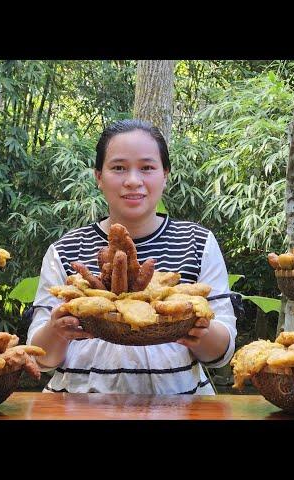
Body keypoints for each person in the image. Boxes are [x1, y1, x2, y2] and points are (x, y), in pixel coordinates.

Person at [27, 119, 237, 394]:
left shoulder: (197, 242)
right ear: (98, 177)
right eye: (118, 168)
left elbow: (222, 353)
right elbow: (41, 358)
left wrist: (200, 331)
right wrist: (56, 329)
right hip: (79, 405)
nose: (133, 181)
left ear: (165, 174)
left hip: (178, 406)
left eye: (147, 168)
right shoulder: (65, 249)